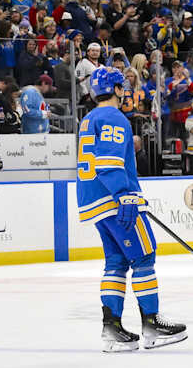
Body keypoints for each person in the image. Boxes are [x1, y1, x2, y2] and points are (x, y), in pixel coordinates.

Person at [77, 67, 186, 352]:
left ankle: (111, 328)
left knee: (116, 262)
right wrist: (124, 195)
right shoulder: (114, 117)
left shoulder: (89, 118)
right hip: (115, 201)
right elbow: (108, 162)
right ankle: (152, 324)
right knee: (144, 256)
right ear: (115, 89)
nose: (125, 91)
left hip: (95, 202)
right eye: (121, 86)